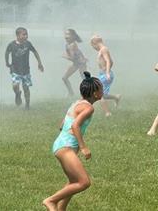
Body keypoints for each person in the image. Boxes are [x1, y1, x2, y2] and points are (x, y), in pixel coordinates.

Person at [43, 71, 103, 211]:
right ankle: (51, 201)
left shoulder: (77, 103)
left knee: (73, 182)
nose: (103, 90)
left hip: (60, 145)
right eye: (101, 88)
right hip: (66, 147)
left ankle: (60, 209)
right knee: (84, 182)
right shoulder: (89, 108)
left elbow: (62, 124)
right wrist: (83, 147)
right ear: (95, 93)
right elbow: (74, 125)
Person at [5, 27, 44, 109]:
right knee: (15, 85)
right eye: (24, 34)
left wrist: (39, 63)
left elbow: (35, 52)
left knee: (26, 88)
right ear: (17, 35)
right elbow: (7, 52)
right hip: (15, 69)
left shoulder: (28, 44)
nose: (26, 36)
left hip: (26, 70)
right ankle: (17, 94)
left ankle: (27, 105)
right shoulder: (12, 45)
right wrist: (7, 62)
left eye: (27, 34)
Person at [90, 35, 121, 117]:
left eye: (93, 46)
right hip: (103, 74)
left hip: (106, 74)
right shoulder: (103, 50)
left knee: (97, 94)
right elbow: (112, 61)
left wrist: (107, 72)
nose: (94, 48)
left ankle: (107, 113)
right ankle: (116, 97)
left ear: (95, 43)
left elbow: (108, 61)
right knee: (102, 94)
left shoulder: (103, 49)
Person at [62, 29, 87, 96]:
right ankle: (71, 93)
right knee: (64, 78)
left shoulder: (73, 45)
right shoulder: (67, 45)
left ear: (73, 36)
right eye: (65, 34)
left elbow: (72, 58)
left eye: (68, 34)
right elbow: (74, 55)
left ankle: (91, 92)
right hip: (76, 63)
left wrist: (65, 56)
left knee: (85, 79)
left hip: (81, 63)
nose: (66, 36)